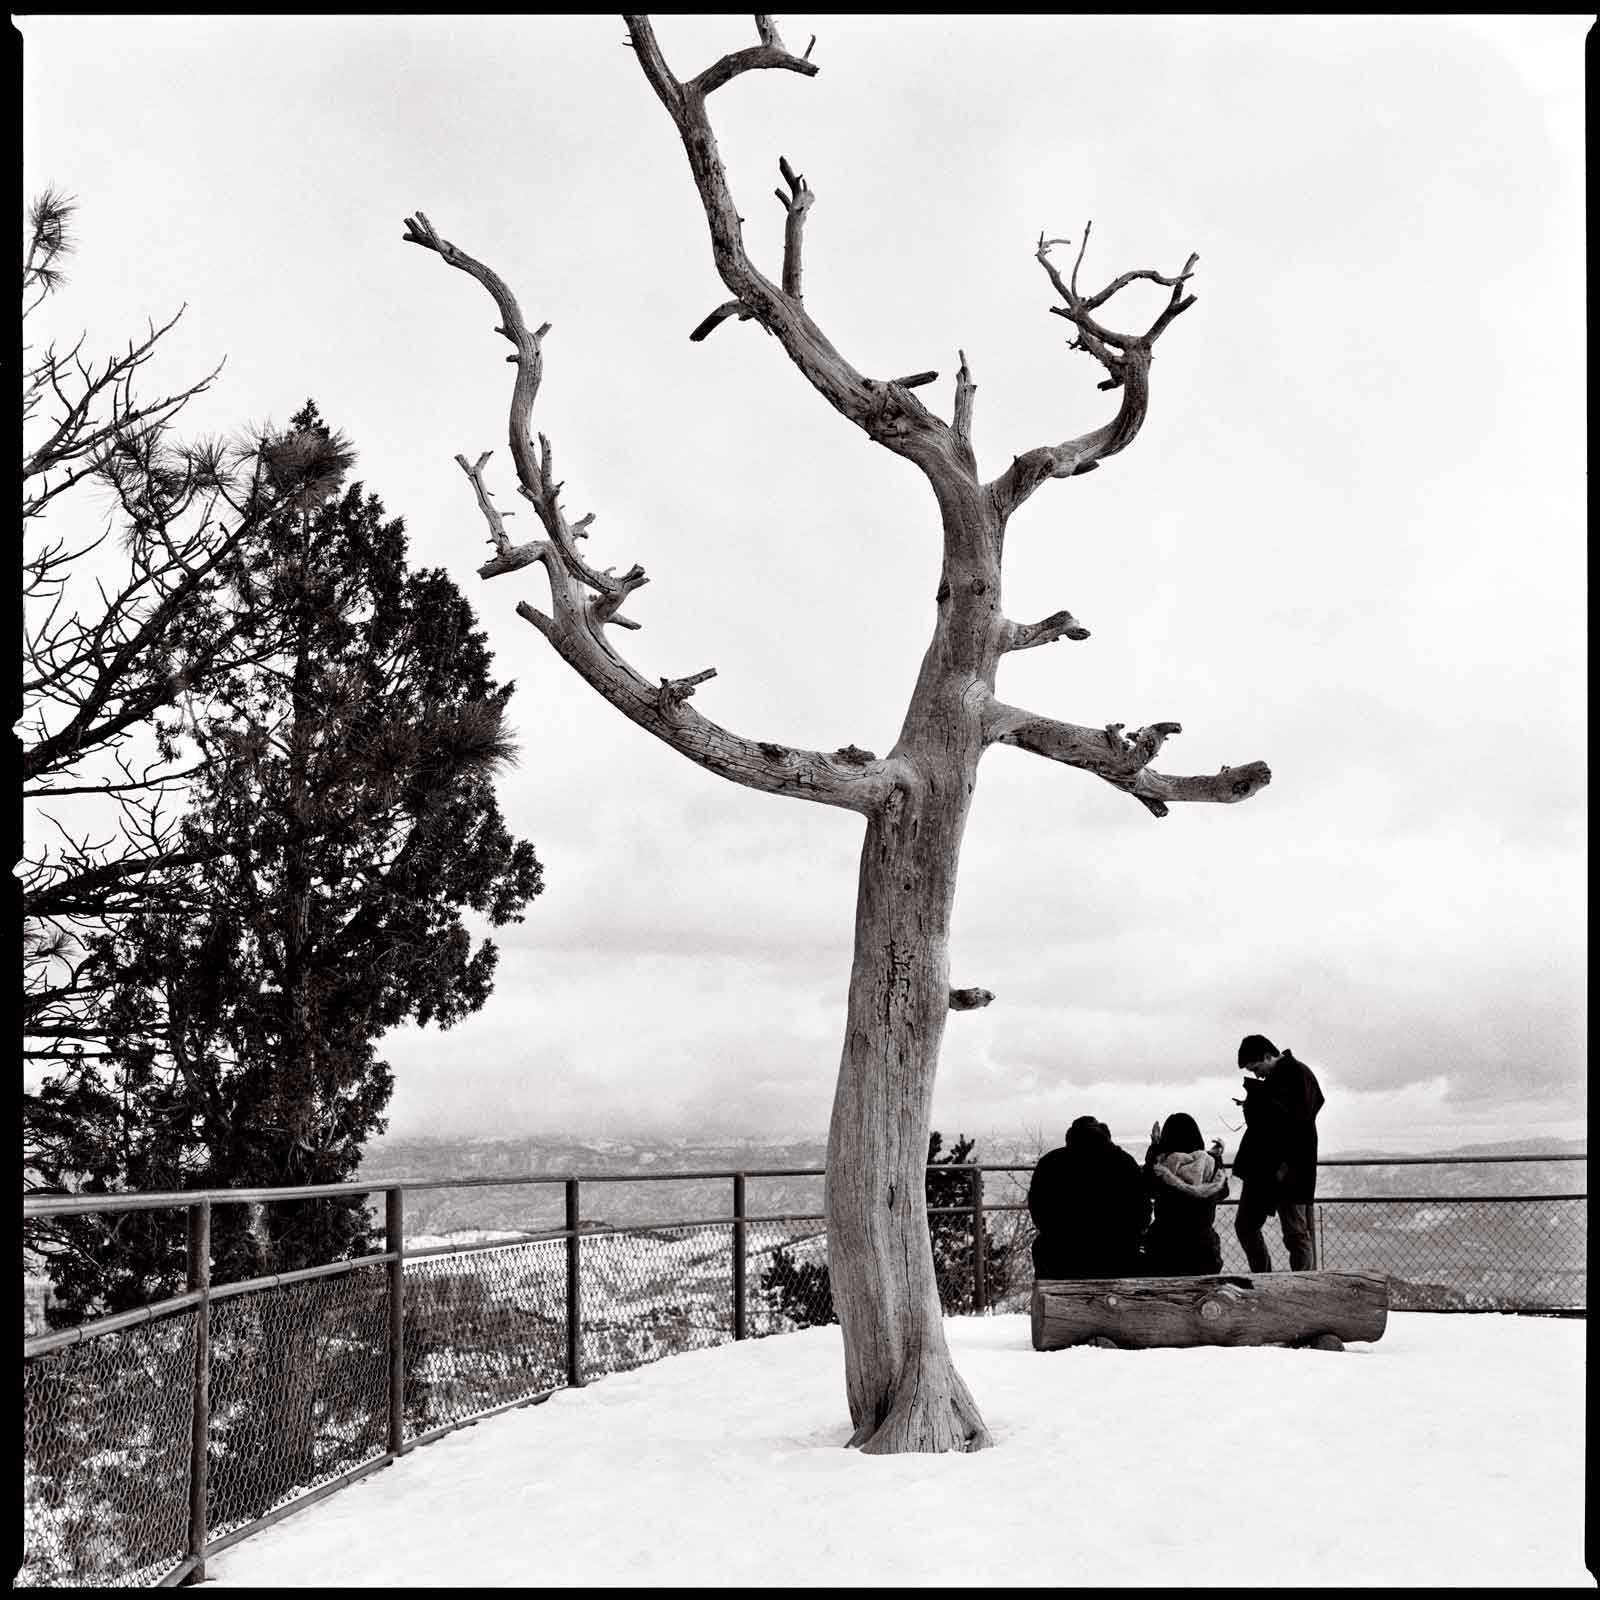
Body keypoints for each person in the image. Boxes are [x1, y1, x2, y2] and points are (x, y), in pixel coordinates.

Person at [1230, 1033, 1325, 1272]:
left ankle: (1292, 1284)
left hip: (1284, 1168)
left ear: (1267, 1056)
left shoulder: (1296, 1075)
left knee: (1293, 1233)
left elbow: (1290, 1122)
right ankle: (1288, 1283)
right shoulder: (1295, 1075)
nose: (1256, 1073)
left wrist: (1254, 1102)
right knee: (1284, 1231)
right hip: (1274, 1168)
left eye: (1257, 1067)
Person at [1027, 1116, 1150, 1279]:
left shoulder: (1050, 1163)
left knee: (1041, 1248)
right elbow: (1143, 1213)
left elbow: (1039, 1211)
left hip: (1061, 1259)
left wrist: (1061, 1236)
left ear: (1070, 1135)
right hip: (1118, 1259)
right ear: (1104, 1135)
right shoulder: (1124, 1162)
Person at [1141, 1112, 1230, 1275]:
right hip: (1204, 1251)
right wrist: (1217, 1159)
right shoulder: (1209, 1163)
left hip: (1165, 1249)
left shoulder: (1162, 1166)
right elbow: (1224, 1192)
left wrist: (1154, 1148)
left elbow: (1146, 1187)